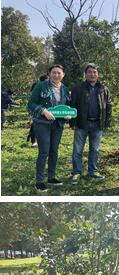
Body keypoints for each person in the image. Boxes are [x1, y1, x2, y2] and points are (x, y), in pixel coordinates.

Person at [28, 64, 72, 192]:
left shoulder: (64, 88)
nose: (56, 75)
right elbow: (31, 104)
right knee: (44, 152)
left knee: (54, 151)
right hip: (42, 124)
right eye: (54, 72)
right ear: (49, 74)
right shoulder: (40, 86)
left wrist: (67, 114)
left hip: (58, 125)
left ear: (63, 75)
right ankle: (39, 181)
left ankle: (51, 177)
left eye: (59, 73)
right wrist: (43, 111)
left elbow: (67, 105)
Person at [68, 63, 112, 183]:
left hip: (97, 124)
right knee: (77, 150)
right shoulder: (78, 88)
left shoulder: (103, 89)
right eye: (89, 72)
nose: (92, 74)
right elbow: (73, 106)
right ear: (85, 74)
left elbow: (108, 106)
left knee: (95, 149)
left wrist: (106, 122)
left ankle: (93, 171)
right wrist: (73, 123)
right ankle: (76, 172)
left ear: (97, 74)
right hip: (82, 124)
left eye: (94, 72)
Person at [27, 75, 49, 146]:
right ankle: (34, 140)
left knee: (35, 125)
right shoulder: (37, 85)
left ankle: (33, 139)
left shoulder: (49, 86)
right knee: (35, 124)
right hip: (37, 109)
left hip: (44, 109)